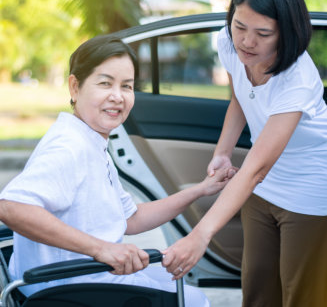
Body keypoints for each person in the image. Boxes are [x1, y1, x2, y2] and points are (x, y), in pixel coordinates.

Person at [0, 35, 237, 305]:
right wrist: (102, 249)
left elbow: (132, 219)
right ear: (74, 87)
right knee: (194, 300)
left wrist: (200, 190)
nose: (117, 96)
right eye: (105, 83)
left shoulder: (90, 140)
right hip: (68, 289)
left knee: (178, 283)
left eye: (127, 86)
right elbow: (12, 206)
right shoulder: (70, 147)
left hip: (79, 279)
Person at [162, 0, 327, 307]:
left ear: (287, 33)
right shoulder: (229, 43)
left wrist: (200, 235)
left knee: (302, 295)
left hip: (310, 190)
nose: (247, 42)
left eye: (263, 33)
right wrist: (222, 152)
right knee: (257, 291)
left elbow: (255, 168)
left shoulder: (297, 79)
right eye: (240, 26)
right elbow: (240, 96)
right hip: (261, 189)